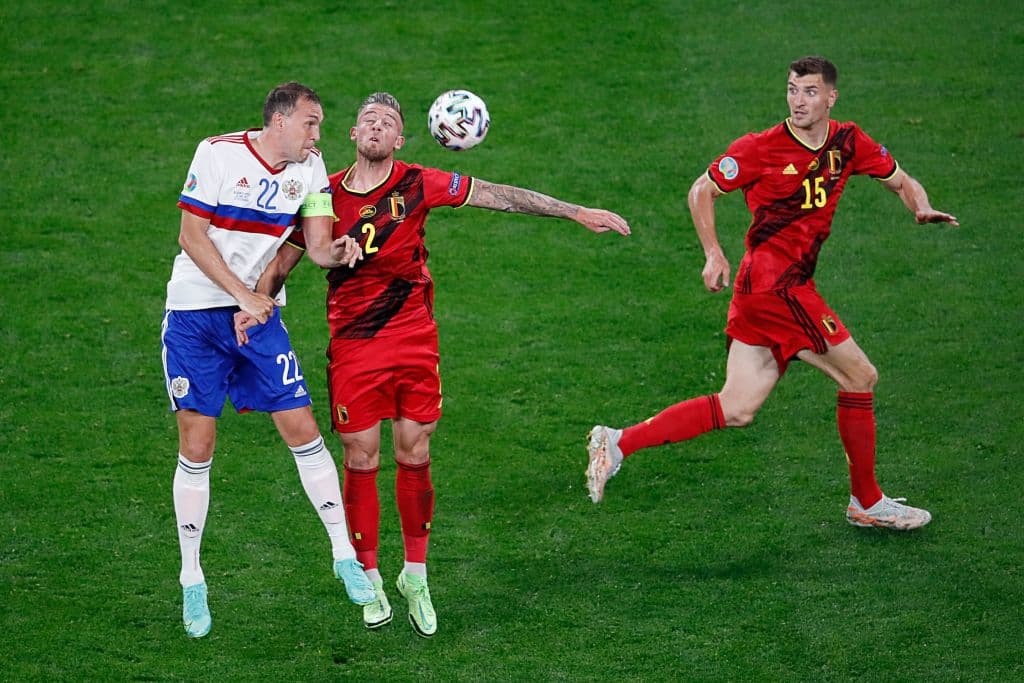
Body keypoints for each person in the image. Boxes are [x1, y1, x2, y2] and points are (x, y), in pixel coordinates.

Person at [239, 91, 630, 637]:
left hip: (414, 337)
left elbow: (496, 195)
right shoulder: (322, 195)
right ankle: (370, 575)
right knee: (361, 454)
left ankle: (415, 575)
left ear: (399, 140)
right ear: (353, 135)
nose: (376, 125)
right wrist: (252, 307)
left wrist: (574, 212)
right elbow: (284, 260)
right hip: (353, 342)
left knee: (414, 449)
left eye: (388, 123)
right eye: (367, 119)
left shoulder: (418, 182)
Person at [586, 56, 958, 531]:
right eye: (791, 90)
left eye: (808, 92)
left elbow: (901, 180)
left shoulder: (848, 141)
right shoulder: (761, 148)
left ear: (830, 97)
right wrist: (713, 253)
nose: (797, 100)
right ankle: (866, 502)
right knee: (860, 376)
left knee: (737, 407)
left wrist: (920, 208)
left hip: (764, 291)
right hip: (776, 287)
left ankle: (617, 442)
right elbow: (702, 189)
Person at [161, 81, 372, 639]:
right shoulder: (218, 153)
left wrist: (339, 252)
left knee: (304, 429)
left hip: (257, 318)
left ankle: (342, 557)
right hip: (195, 318)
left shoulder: (311, 168)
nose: (318, 134)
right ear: (279, 121)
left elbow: (317, 242)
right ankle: (192, 579)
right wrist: (243, 294)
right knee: (198, 446)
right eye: (310, 123)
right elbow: (191, 236)